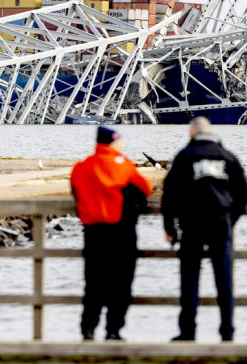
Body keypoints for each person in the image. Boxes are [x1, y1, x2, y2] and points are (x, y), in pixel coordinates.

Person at [162, 116, 247, 342]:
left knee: (189, 279)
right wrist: (232, 218)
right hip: (220, 223)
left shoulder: (184, 156)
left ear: (192, 133)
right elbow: (244, 195)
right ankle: (227, 333)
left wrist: (169, 226)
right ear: (211, 133)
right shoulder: (228, 157)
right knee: (224, 280)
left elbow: (169, 194)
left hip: (192, 223)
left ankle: (188, 332)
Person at [70, 127, 153, 341]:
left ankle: (88, 328)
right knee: (121, 283)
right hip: (121, 231)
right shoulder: (123, 165)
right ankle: (113, 330)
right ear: (114, 143)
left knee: (93, 283)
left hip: (93, 232)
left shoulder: (81, 167)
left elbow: (75, 191)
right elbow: (146, 188)